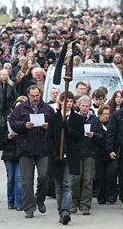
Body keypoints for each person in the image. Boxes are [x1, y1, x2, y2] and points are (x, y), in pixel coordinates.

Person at [9, 85, 55, 218]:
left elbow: (56, 125)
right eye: (32, 96)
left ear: (40, 94)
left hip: (43, 148)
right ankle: (29, 208)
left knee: (44, 176)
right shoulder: (20, 108)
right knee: (26, 180)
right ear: (28, 95)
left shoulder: (48, 108)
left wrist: (49, 127)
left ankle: (39, 199)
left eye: (37, 95)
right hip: (25, 148)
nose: (35, 98)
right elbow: (12, 123)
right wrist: (24, 125)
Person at [46, 91, 85, 225]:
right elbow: (49, 138)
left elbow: (80, 136)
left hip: (71, 156)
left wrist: (68, 129)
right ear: (60, 102)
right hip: (57, 157)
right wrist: (54, 154)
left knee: (67, 185)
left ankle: (65, 211)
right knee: (58, 187)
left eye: (70, 101)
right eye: (65, 101)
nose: (67, 104)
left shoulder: (78, 119)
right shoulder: (53, 118)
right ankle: (60, 210)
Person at [71, 95, 104, 215]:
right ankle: (74, 202)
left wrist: (94, 135)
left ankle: (85, 205)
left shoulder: (94, 119)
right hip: (76, 152)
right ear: (78, 106)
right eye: (82, 106)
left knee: (88, 180)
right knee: (75, 178)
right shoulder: (73, 118)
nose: (84, 108)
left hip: (90, 152)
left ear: (90, 107)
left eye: (87, 106)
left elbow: (102, 135)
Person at [3, 96, 28, 211]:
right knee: (10, 178)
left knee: (19, 178)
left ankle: (19, 202)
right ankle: (10, 201)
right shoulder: (8, 119)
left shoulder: (27, 120)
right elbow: (0, 135)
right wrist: (7, 137)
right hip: (9, 152)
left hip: (22, 151)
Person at [95, 105, 118, 205]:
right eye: (104, 114)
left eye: (108, 114)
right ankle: (101, 197)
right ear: (100, 114)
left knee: (111, 174)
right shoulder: (96, 125)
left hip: (111, 154)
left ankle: (111, 196)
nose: (107, 116)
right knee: (100, 177)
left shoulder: (112, 125)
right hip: (99, 155)